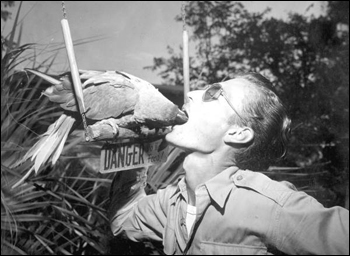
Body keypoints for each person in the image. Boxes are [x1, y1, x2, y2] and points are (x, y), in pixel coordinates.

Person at [108, 73, 349, 255]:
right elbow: (123, 221)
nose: (191, 93)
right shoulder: (170, 202)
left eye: (214, 93)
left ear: (237, 133)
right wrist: (137, 149)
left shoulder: (269, 205)